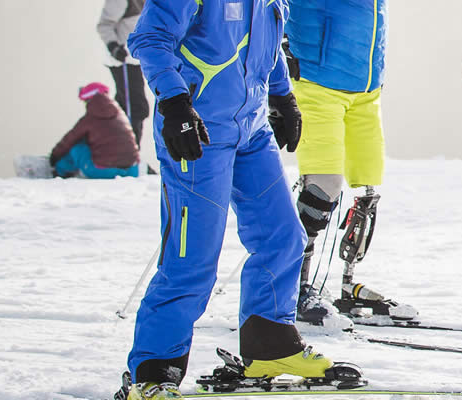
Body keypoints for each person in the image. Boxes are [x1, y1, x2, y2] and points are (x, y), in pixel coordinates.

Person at [124, 1, 349, 398]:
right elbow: (150, 38)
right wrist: (174, 101)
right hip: (196, 129)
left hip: (251, 129)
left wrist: (282, 95)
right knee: (191, 258)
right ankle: (153, 371)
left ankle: (271, 347)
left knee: (283, 237)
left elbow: (268, 44)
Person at [284, 0, 413, 325]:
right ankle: (293, 287)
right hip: (316, 80)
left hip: (365, 87)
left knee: (367, 185)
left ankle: (345, 281)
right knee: (323, 185)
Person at [49, 82, 140, 179]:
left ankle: (60, 171)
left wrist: (54, 157)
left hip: (103, 172)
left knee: (78, 147)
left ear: (89, 100)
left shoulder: (90, 118)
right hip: (132, 170)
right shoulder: (120, 115)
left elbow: (70, 139)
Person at [98, 0, 150, 145]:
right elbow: (105, 25)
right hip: (123, 60)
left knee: (131, 106)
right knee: (134, 107)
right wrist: (113, 46)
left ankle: (121, 152)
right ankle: (127, 153)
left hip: (138, 60)